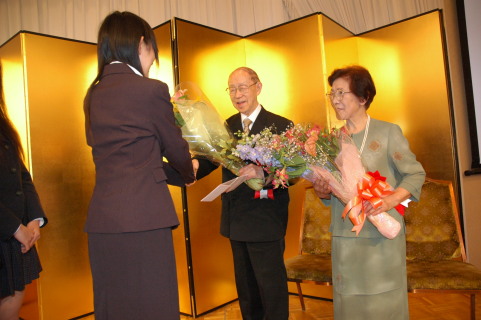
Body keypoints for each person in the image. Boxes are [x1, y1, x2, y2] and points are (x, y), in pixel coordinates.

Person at [83, 11, 195, 320]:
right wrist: (189, 171)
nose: (151, 60)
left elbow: (108, 150)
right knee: (153, 305)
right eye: (153, 52)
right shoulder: (150, 90)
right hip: (144, 218)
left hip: (103, 221)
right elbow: (175, 149)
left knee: (114, 307)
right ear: (141, 43)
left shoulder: (92, 94)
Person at [313, 65, 425, 319]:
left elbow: (415, 174)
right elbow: (334, 195)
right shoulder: (331, 141)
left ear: (363, 97)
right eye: (332, 93)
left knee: (384, 304)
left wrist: (390, 200)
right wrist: (323, 192)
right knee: (349, 305)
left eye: (342, 93)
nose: (336, 100)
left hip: (382, 236)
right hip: (346, 236)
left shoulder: (388, 132)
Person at [193, 67, 293, 320]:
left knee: (271, 289)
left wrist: (264, 176)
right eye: (232, 89)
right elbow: (210, 159)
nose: (237, 94)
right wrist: (192, 166)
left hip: (266, 219)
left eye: (242, 87)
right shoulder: (225, 126)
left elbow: (293, 172)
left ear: (258, 87)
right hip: (236, 219)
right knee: (247, 290)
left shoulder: (281, 126)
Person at [0, 62, 48, 320]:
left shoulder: (3, 124)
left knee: (12, 305)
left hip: (13, 239)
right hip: (7, 232)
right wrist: (14, 227)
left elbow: (22, 177)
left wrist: (33, 220)